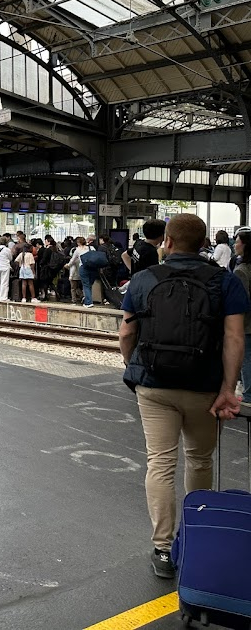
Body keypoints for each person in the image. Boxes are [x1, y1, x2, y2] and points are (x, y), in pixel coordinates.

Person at [118, 213, 249, 580]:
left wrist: (135, 370)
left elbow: (126, 334)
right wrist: (228, 389)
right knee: (200, 460)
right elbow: (235, 339)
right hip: (204, 387)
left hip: (154, 386)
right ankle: (195, 535)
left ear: (168, 242)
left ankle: (162, 550)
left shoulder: (143, 279)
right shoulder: (225, 282)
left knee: (160, 462)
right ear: (203, 243)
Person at [233, 230, 251, 389]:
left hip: (247, 324)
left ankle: (248, 394)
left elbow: (241, 301)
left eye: (237, 241)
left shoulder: (241, 271)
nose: (235, 244)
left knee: (246, 359)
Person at [65, 237, 90, 305]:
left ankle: (74, 300)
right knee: (86, 286)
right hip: (89, 268)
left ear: (78, 243)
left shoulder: (77, 250)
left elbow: (72, 262)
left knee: (73, 288)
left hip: (78, 271)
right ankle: (87, 299)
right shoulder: (90, 248)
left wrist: (67, 266)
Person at [0, 236, 12, 302]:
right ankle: (3, 297)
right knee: (4, 282)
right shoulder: (8, 250)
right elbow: (10, 258)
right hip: (5, 266)